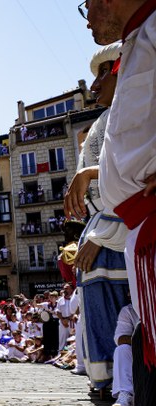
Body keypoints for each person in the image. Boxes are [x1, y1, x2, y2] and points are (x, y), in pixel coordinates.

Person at [71, 1, 156, 406]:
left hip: (133, 222)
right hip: (135, 223)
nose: (86, 14)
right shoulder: (143, 38)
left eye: (89, 0)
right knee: (146, 333)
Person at [70, 42, 129, 387]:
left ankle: (125, 383)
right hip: (102, 228)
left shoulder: (131, 111)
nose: (94, 85)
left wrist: (100, 233)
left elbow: (129, 177)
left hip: (117, 227)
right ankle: (110, 380)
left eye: (103, 73)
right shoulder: (105, 118)